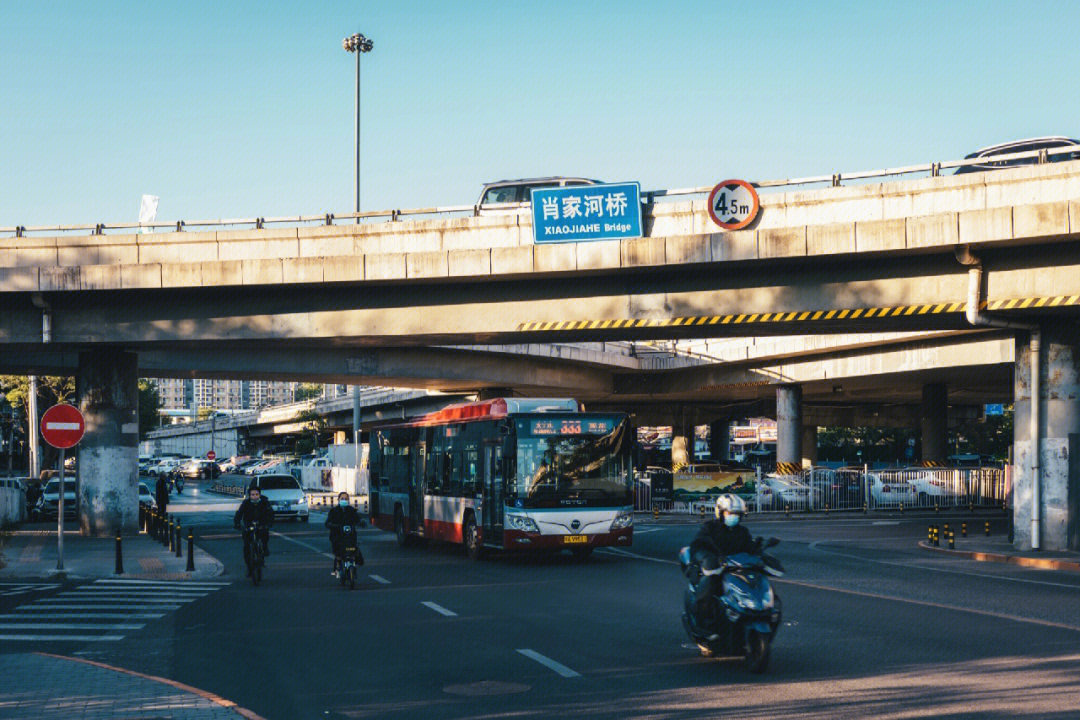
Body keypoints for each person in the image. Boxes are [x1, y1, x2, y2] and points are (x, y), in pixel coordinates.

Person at [687, 493, 756, 638]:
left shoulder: (742, 532)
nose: (734, 517)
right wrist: (709, 558)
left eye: (737, 514)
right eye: (730, 513)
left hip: (735, 570)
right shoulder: (710, 528)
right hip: (716, 570)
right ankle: (704, 626)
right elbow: (698, 545)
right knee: (709, 586)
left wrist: (760, 549)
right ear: (720, 512)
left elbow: (750, 548)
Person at [233, 484, 274, 576]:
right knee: (247, 547)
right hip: (249, 525)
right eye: (252, 495)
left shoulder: (264, 502)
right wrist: (237, 523)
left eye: (256, 494)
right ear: (249, 495)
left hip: (262, 524)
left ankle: (264, 548)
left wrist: (269, 523)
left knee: (264, 535)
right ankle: (249, 567)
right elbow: (239, 514)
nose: (254, 496)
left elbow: (270, 513)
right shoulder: (246, 503)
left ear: (259, 495)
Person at [325, 492, 364, 576]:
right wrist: (333, 525)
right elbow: (327, 523)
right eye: (342, 499)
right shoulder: (334, 511)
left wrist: (361, 522)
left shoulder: (351, 510)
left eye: (346, 499)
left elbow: (358, 519)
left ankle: (353, 563)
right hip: (337, 535)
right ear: (338, 500)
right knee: (338, 552)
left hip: (350, 535)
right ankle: (338, 567)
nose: (344, 500)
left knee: (354, 550)